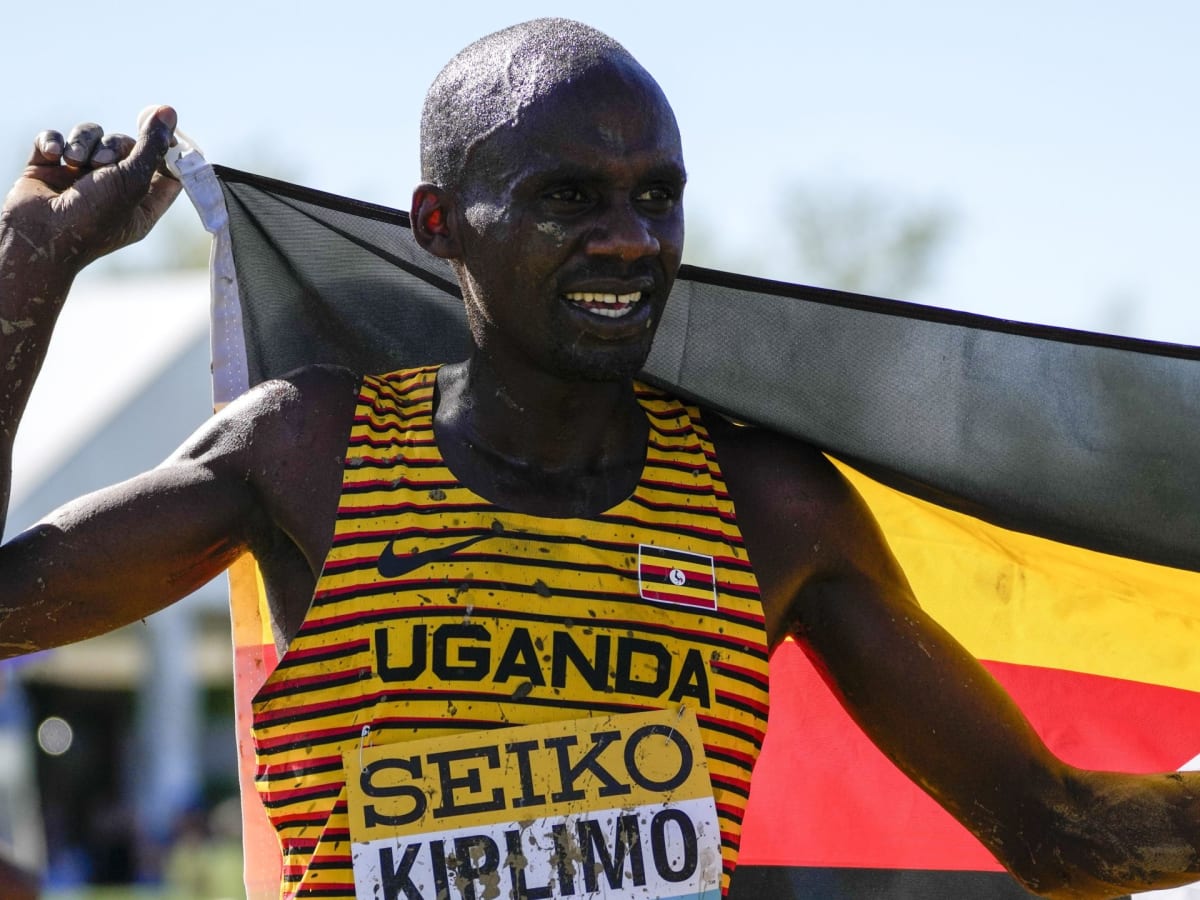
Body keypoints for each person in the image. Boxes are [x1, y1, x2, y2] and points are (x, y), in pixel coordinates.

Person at [2, 18, 1199, 900]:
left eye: (657, 196)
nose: (629, 238)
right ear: (439, 226)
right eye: (569, 196)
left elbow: (1059, 833)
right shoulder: (311, 452)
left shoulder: (767, 508)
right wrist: (30, 266)